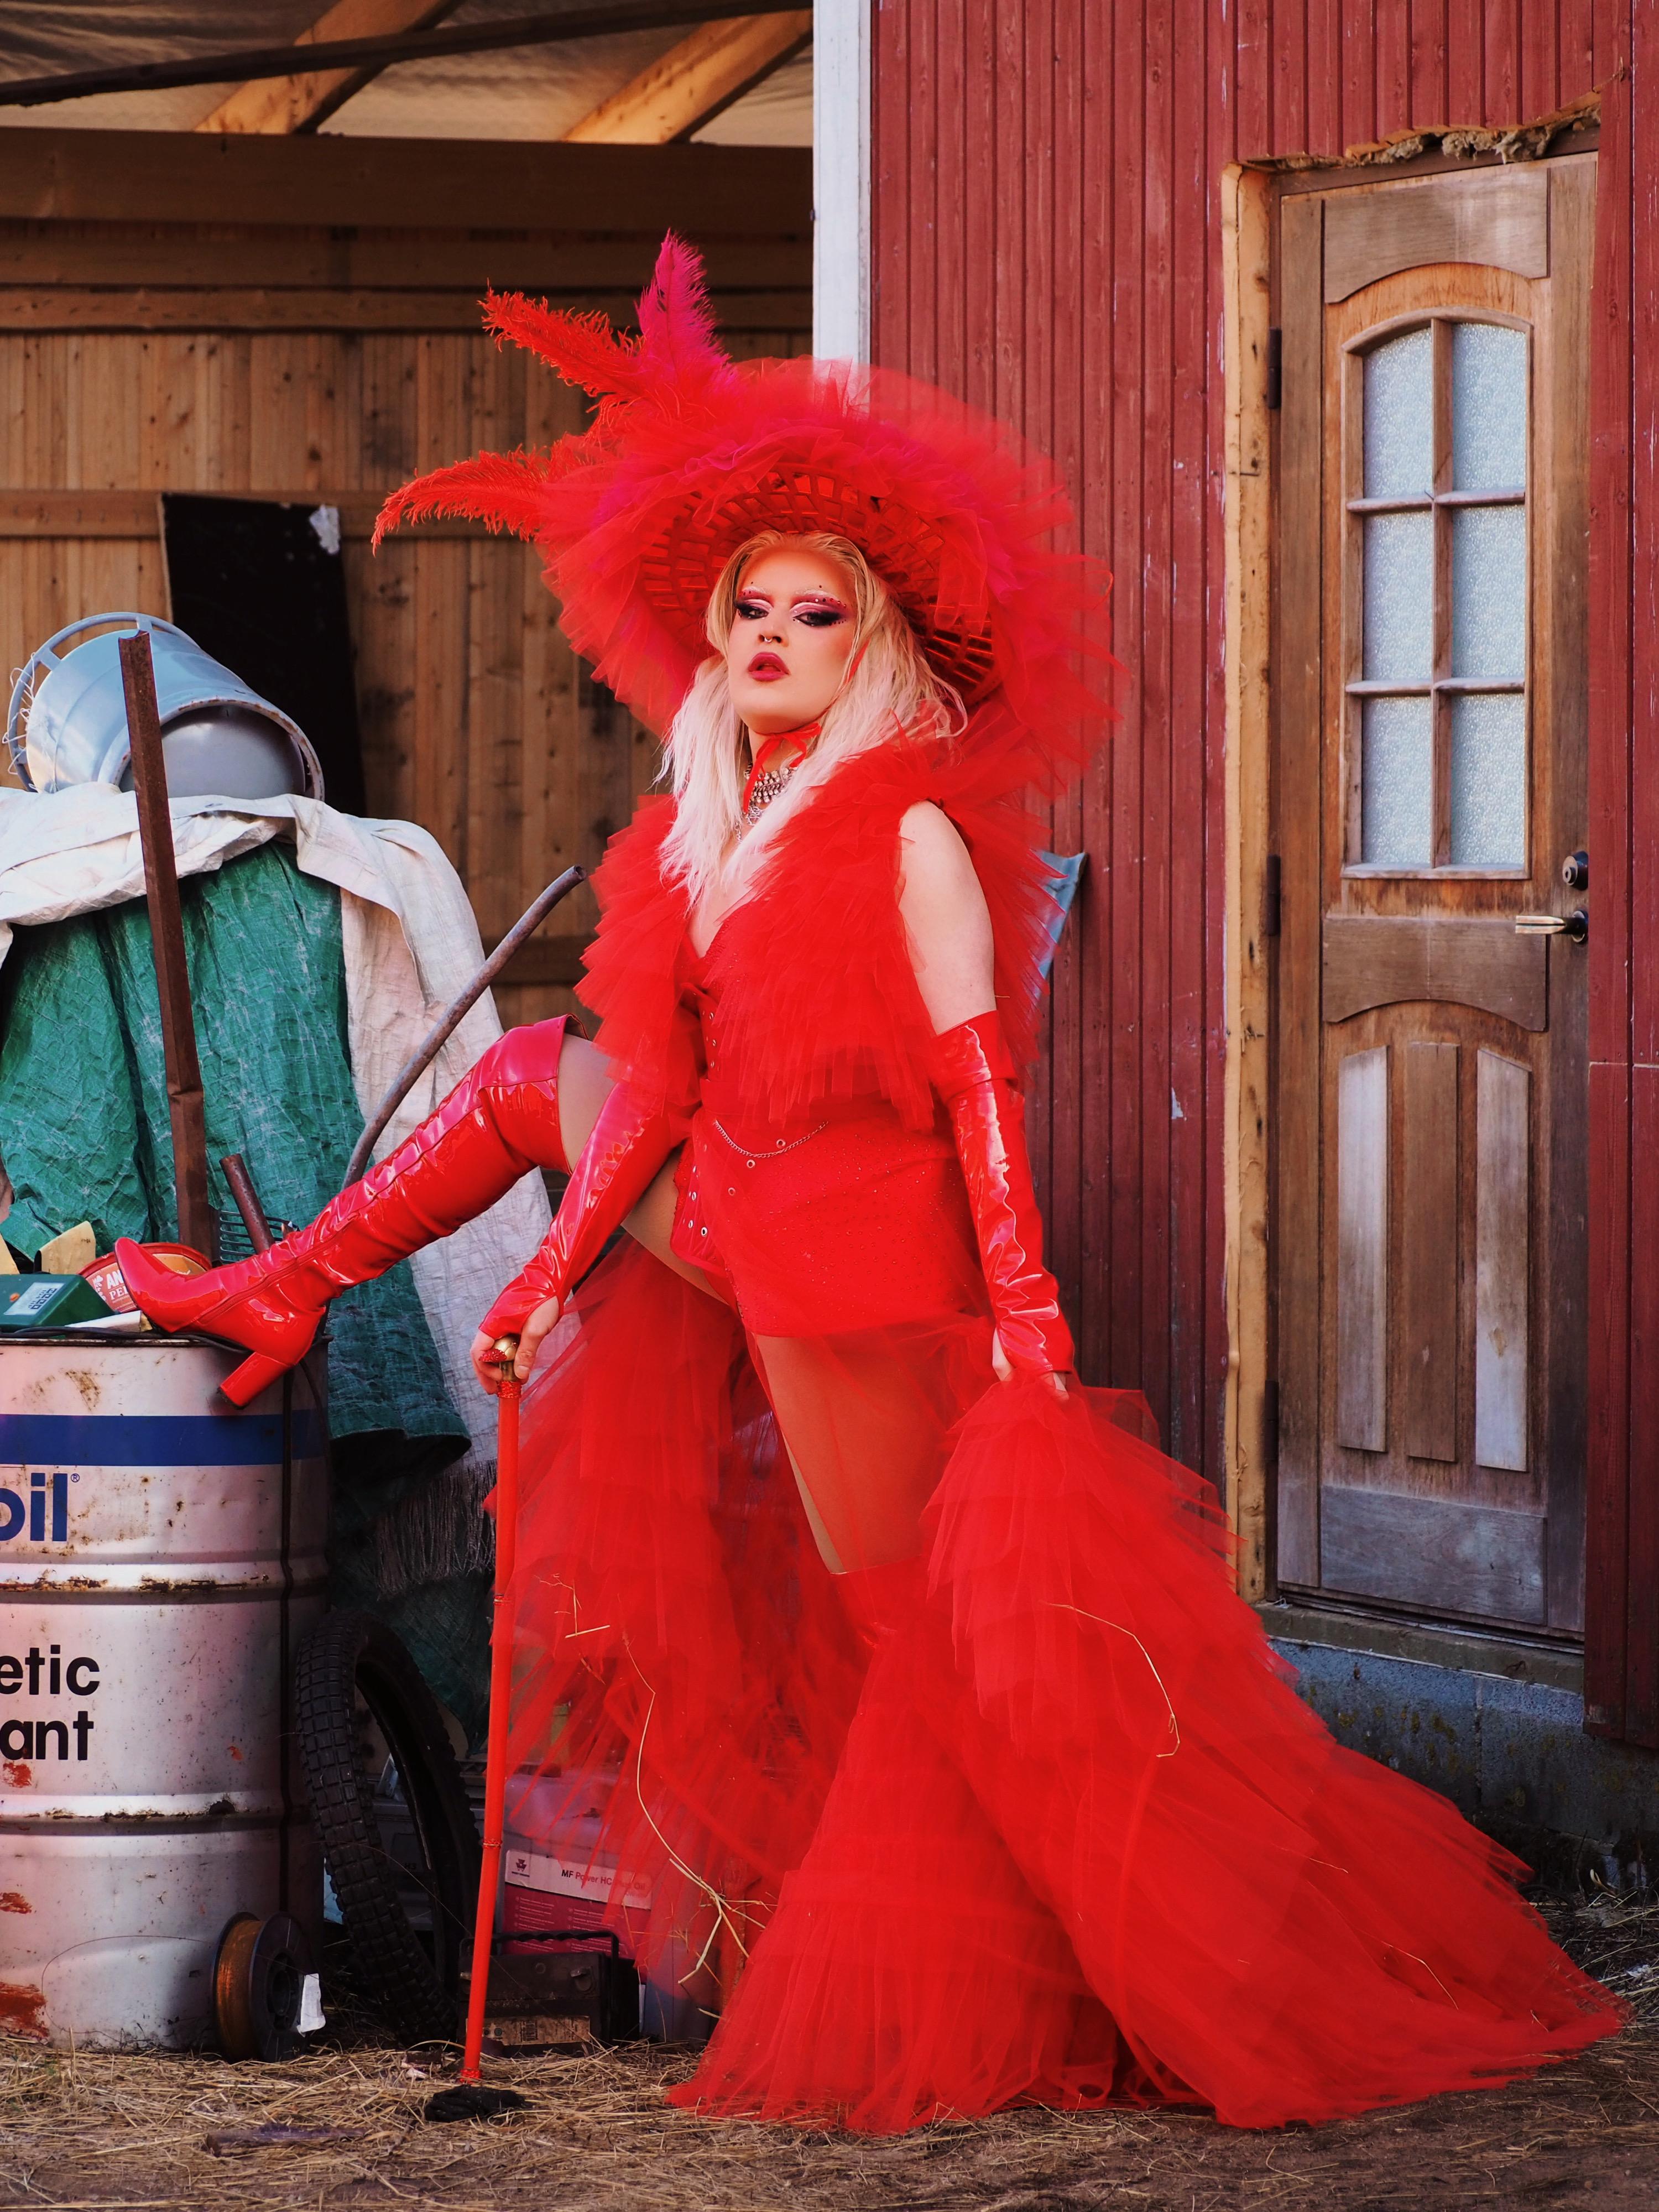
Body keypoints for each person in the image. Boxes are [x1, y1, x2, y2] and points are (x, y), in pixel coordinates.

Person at [118, 239, 1623, 2131]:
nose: (765, 639)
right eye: (747, 611)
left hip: (861, 1266)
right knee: (530, 1078)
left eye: (811, 618)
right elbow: (642, 1090)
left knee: (938, 1652)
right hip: (742, 1213)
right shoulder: (703, 836)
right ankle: (287, 1284)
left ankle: (1138, 1963)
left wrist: (1029, 1327)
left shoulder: (906, 828)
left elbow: (979, 1090)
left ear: (879, 644)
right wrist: (551, 1277)